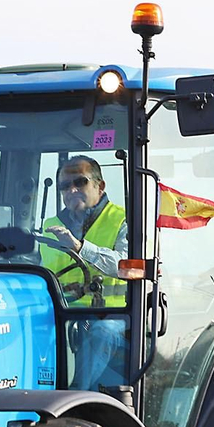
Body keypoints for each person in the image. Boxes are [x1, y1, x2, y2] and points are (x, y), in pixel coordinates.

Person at [40, 155, 129, 389]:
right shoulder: (49, 225)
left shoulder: (123, 220)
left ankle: (75, 397)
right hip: (63, 313)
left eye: (80, 182)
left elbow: (124, 265)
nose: (72, 190)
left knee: (102, 332)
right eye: (64, 186)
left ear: (100, 186)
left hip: (114, 315)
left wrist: (80, 248)